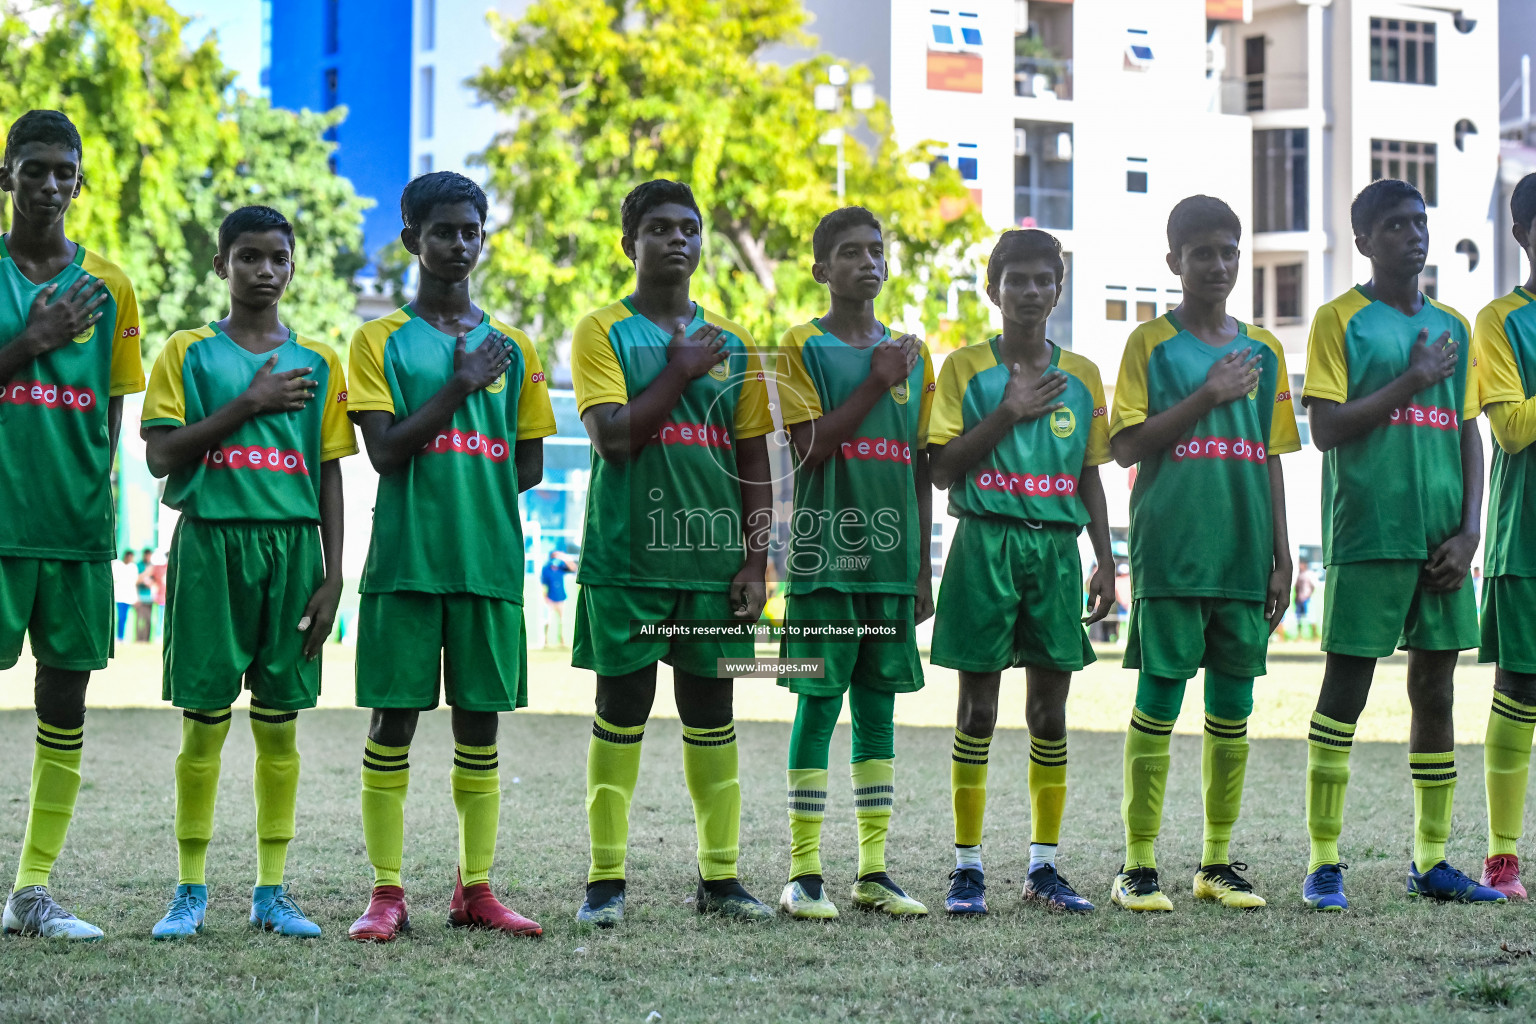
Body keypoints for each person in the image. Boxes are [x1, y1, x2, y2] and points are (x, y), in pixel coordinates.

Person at [345, 171, 556, 941]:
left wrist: (476, 485)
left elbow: (528, 464)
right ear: (412, 240)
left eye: (471, 230)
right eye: (443, 231)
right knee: (391, 723)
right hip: (406, 560)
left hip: (487, 561)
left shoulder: (515, 347)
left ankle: (477, 890)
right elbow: (388, 453)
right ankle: (387, 894)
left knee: (481, 728)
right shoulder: (378, 341)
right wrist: (462, 384)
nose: (459, 244)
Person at [140, 205, 356, 939]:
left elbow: (329, 472)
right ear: (221, 265)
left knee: (278, 725)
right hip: (212, 546)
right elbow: (162, 457)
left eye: (278, 259)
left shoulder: (321, 361)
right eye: (249, 257)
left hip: (294, 554)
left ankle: (272, 891)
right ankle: (189, 890)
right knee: (203, 724)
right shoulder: (186, 352)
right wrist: (250, 401)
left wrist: (333, 575)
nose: (265, 271)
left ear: (294, 268)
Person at [570, 179, 773, 927]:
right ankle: (605, 881)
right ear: (631, 244)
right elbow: (615, 439)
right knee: (620, 710)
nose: (677, 239)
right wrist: (680, 367)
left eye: (688, 227)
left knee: (712, 712)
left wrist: (756, 561)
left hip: (713, 564)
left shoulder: (735, 342)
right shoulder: (601, 331)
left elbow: (752, 458)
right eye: (659, 228)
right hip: (628, 559)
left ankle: (720, 880)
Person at [1299, 178, 1502, 909]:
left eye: (1418, 222)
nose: (1411, 234)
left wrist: (1471, 528)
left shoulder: (1455, 323)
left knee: (1436, 692)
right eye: (1393, 225)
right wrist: (1412, 378)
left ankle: (1432, 861)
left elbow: (1469, 433)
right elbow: (1324, 429)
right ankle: (1324, 862)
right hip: (1369, 535)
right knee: (1344, 695)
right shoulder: (1338, 321)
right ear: (1362, 240)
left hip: (1443, 541)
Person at [1108, 196, 1299, 912]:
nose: (1218, 265)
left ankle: (1217, 862)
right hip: (1174, 550)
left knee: (1232, 711)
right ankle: (1138, 865)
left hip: (1245, 555)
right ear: (1173, 263)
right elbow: (1125, 445)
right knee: (1157, 704)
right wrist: (1208, 392)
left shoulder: (1266, 349)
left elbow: (1274, 455)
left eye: (1228, 251)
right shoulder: (1149, 345)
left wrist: (1281, 557)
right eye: (1202, 254)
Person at [927, 229, 1114, 916]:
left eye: (1044, 279)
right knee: (977, 710)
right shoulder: (966, 370)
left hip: (1056, 554)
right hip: (984, 543)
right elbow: (941, 469)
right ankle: (967, 867)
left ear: (1058, 289)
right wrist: (1011, 409)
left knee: (1049, 714)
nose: (1031, 291)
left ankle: (1044, 867)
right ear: (993, 288)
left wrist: (1107, 559)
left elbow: (1090, 473)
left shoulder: (1085, 375)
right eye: (1018, 280)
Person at [0, 110, 145, 940]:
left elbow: (111, 415)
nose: (49, 184)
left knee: (64, 698)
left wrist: (101, 512)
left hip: (74, 528)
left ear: (80, 183)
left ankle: (32, 890)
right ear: (7, 177)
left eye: (64, 171)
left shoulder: (112, 285)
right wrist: (33, 340)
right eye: (34, 168)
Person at [774, 206, 933, 920]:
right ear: (821, 270)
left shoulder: (913, 353)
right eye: (849, 251)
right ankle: (804, 873)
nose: (867, 261)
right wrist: (875, 380)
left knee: (878, 710)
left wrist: (922, 565)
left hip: (890, 567)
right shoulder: (801, 344)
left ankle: (873, 871)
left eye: (876, 248)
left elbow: (922, 465)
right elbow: (809, 446)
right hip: (824, 563)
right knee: (818, 705)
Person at [1472, 171, 1536, 901]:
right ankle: (1502, 856)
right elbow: (1513, 428)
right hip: (1526, 540)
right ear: (1522, 234)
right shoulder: (1500, 320)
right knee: (1519, 689)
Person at [539, 549, 575, 648]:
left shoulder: (561, 568)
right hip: (550, 599)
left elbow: (573, 568)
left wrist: (564, 557)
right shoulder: (546, 569)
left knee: (562, 621)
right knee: (548, 621)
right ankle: (545, 641)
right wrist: (545, 597)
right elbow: (543, 584)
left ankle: (562, 641)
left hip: (561, 598)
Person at [112, 551, 138, 642]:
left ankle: (128, 637)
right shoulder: (117, 565)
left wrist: (135, 597)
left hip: (130, 597)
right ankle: (120, 637)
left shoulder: (133, 567)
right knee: (121, 617)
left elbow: (134, 582)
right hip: (120, 596)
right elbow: (115, 578)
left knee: (128, 618)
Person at [1293, 561, 1318, 641]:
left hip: (1306, 600)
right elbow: (1296, 587)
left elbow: (1312, 586)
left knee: (1310, 617)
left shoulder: (1309, 574)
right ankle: (1299, 636)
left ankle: (1314, 636)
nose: (1300, 566)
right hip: (1299, 600)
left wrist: (1308, 595)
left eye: (1302, 565)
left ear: (1305, 565)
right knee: (1298, 619)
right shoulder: (1299, 575)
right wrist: (1296, 597)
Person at [134, 546, 154, 642]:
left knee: (148, 620)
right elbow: (135, 581)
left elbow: (156, 581)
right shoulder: (138, 565)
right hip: (140, 597)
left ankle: (146, 640)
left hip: (149, 598)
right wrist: (146, 573)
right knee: (139, 620)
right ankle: (139, 640)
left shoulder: (152, 566)